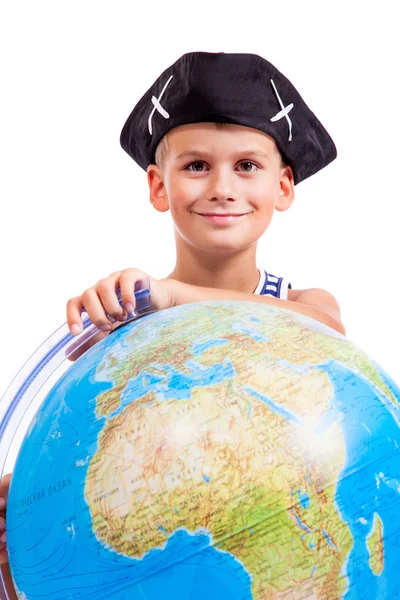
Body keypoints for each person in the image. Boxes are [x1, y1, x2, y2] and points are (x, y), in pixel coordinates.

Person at [0, 51, 345, 595]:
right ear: (159, 186)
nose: (222, 188)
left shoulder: (301, 303)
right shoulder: (122, 331)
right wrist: (28, 506)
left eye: (247, 166)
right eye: (196, 166)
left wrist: (175, 296)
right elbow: (90, 464)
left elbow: (323, 331)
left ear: (283, 186)